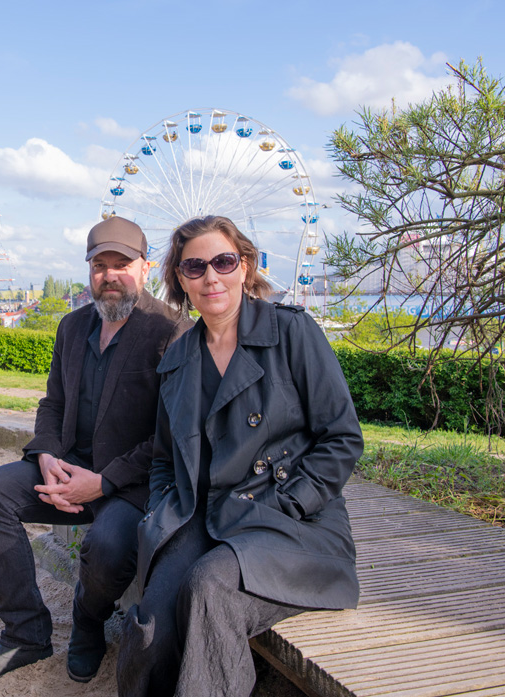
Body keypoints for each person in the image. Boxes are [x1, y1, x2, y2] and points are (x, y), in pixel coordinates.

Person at [117, 216, 365, 697]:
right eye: (195, 267)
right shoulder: (177, 361)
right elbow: (165, 459)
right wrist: (164, 509)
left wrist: (291, 502)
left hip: (290, 519)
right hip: (204, 515)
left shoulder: (291, 333)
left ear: (245, 266)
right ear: (180, 279)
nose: (211, 276)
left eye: (224, 261)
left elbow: (341, 437)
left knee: (210, 588)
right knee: (153, 619)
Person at [0, 217, 191, 687]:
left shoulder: (171, 332)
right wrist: (46, 455)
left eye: (121, 264)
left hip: (130, 485)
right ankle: (25, 633)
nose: (109, 275)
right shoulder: (72, 326)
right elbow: (53, 404)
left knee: (109, 547)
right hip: (65, 470)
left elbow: (169, 436)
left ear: (145, 268)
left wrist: (102, 482)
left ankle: (87, 618)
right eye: (99, 265)